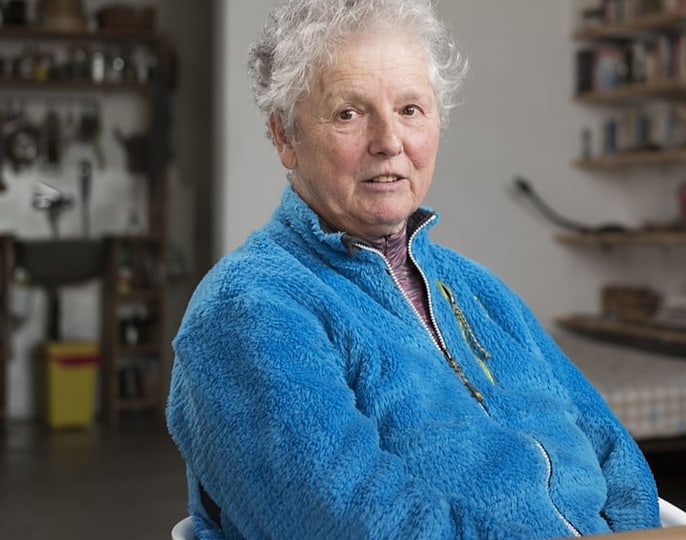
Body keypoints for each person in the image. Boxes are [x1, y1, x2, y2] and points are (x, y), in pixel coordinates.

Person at [165, 0, 660, 537]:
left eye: (410, 109)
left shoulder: (476, 288)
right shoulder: (249, 308)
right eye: (348, 113)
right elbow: (353, 522)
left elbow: (613, 451)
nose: (389, 142)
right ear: (286, 136)